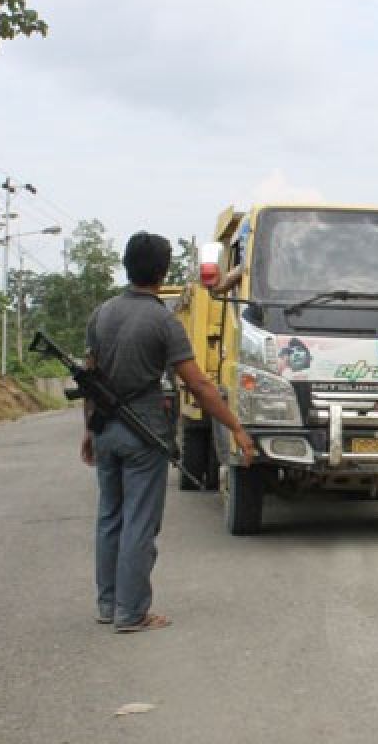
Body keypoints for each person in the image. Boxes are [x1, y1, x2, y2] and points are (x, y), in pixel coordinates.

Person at [81, 232, 255, 633]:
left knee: (110, 517)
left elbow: (89, 378)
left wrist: (89, 431)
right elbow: (199, 385)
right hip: (144, 435)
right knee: (140, 522)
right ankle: (132, 613)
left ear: (126, 266)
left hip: (105, 429)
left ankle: (108, 605)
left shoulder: (101, 313)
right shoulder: (163, 320)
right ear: (162, 272)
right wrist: (236, 427)